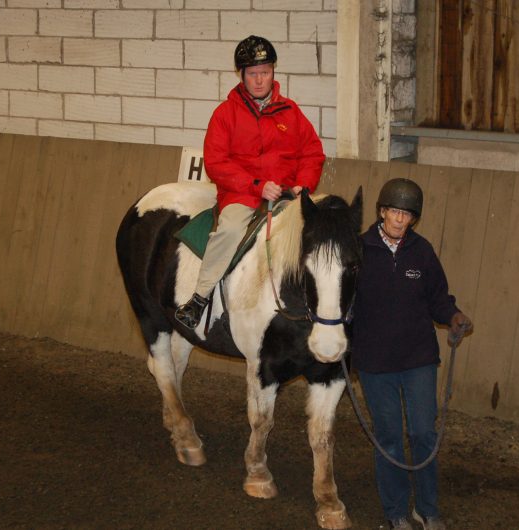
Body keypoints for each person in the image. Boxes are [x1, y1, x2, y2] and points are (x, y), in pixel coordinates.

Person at [175, 35, 325, 328]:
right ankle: (200, 297)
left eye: (265, 72)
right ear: (241, 75)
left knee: (321, 235)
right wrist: (257, 185)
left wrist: (303, 185)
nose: (260, 80)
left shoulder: (291, 112)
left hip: (287, 195)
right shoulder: (224, 114)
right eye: (253, 74)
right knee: (230, 229)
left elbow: (312, 153)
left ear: (273, 72)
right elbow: (217, 163)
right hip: (242, 195)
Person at [350, 178, 472, 530]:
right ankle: (396, 512)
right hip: (375, 362)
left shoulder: (422, 251)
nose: (400, 220)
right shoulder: (359, 251)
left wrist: (453, 316)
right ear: (382, 212)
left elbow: (438, 297)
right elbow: (344, 303)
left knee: (422, 434)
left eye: (407, 215)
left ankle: (428, 508)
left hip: (418, 358)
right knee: (388, 437)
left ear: (413, 218)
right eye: (395, 212)